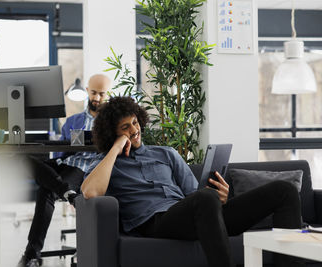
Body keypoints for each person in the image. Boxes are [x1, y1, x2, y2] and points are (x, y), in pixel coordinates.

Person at [81, 96, 304, 267]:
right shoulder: (107, 165)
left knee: (284, 191)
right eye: (125, 128)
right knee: (205, 198)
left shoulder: (165, 153)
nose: (134, 130)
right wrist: (116, 148)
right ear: (112, 134)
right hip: (157, 223)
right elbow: (90, 191)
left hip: (194, 215)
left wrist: (222, 199)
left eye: (135, 123)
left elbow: (194, 194)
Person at [18, 74, 111, 267]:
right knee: (22, 159)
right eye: (94, 93)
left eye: (102, 94)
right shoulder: (73, 121)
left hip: (85, 170)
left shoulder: (111, 123)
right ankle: (65, 190)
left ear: (108, 94)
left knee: (45, 189)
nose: (97, 98)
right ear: (87, 91)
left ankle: (31, 255)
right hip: (66, 163)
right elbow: (60, 153)